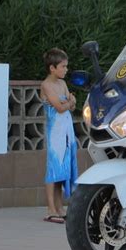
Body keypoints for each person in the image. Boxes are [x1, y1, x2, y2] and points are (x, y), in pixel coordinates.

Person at [40, 48, 78, 224]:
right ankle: (50, 209)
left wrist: (68, 102)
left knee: (63, 170)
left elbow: (70, 105)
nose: (66, 69)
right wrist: (69, 101)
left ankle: (59, 207)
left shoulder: (62, 84)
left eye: (66, 66)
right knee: (54, 169)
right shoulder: (47, 85)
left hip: (66, 131)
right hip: (55, 132)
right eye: (63, 66)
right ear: (52, 68)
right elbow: (60, 107)